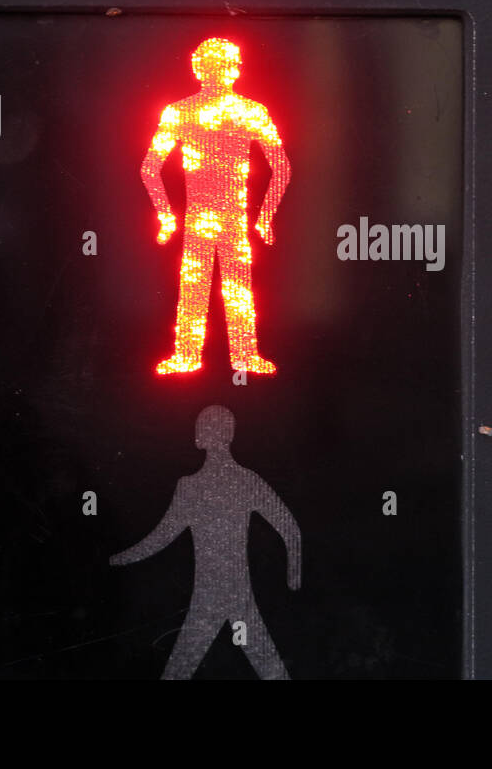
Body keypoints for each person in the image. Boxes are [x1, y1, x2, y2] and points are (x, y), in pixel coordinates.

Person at [110, 405, 301, 679]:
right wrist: (292, 574)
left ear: (203, 435)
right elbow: (291, 529)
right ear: (230, 434)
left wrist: (119, 559)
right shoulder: (239, 481)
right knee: (267, 669)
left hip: (214, 597)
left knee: (179, 672)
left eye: (201, 428)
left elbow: (160, 538)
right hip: (226, 595)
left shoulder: (199, 486)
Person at [141, 37, 291, 375]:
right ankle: (208, 356)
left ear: (234, 70)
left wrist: (266, 216)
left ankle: (229, 355)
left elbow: (282, 166)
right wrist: (165, 216)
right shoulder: (195, 112)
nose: (216, 73)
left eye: (221, 66)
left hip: (223, 216)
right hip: (211, 217)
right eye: (212, 66)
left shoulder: (242, 112)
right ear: (198, 68)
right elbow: (149, 167)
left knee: (218, 287)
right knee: (206, 286)